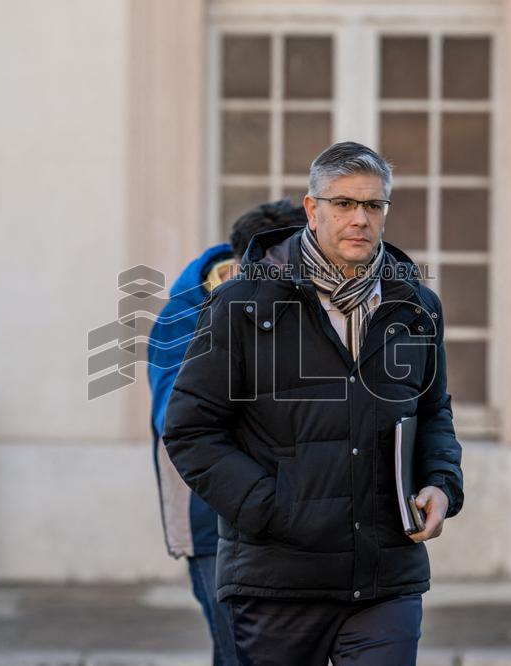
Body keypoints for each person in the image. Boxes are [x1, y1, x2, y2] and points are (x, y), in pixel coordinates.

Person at [162, 142, 464, 665]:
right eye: (344, 203)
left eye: (373, 206)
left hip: (385, 576)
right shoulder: (242, 304)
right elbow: (190, 429)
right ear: (312, 209)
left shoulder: (415, 306)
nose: (360, 219)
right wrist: (269, 508)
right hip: (277, 578)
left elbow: (433, 412)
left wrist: (441, 484)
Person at [147, 199, 307, 666]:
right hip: (211, 510)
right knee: (242, 650)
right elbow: (179, 424)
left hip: (279, 512)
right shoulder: (203, 302)